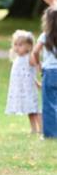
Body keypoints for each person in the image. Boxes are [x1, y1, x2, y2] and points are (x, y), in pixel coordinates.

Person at [5, 30, 41, 134]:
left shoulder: (29, 58)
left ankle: (41, 128)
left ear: (29, 47)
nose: (16, 47)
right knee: (29, 109)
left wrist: (38, 82)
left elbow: (38, 68)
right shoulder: (17, 58)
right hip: (22, 88)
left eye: (20, 45)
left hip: (29, 88)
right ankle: (34, 129)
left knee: (34, 109)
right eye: (15, 44)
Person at [31, 7, 57, 139]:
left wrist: (38, 64)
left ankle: (51, 134)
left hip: (50, 72)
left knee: (49, 104)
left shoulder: (45, 36)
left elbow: (35, 52)